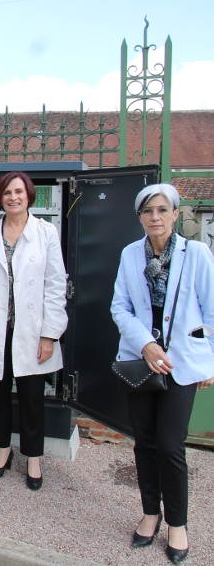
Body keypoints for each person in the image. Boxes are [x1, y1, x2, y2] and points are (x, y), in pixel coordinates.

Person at [110, 183, 214, 565]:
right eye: (148, 211)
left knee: (171, 447)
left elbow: (212, 310)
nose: (155, 217)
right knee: (144, 443)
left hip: (182, 364)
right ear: (139, 217)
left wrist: (211, 363)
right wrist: (146, 345)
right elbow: (120, 307)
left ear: (174, 214)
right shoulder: (129, 254)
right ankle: (150, 512)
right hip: (141, 361)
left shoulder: (197, 254)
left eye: (162, 210)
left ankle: (177, 523)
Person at [0, 171, 67, 491]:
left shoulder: (46, 233)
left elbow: (55, 286)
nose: (13, 197)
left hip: (32, 331)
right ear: (0, 198)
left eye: (18, 192)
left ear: (28, 195)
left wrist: (50, 334)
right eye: (7, 193)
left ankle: (33, 457)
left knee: (33, 398)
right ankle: (3, 450)